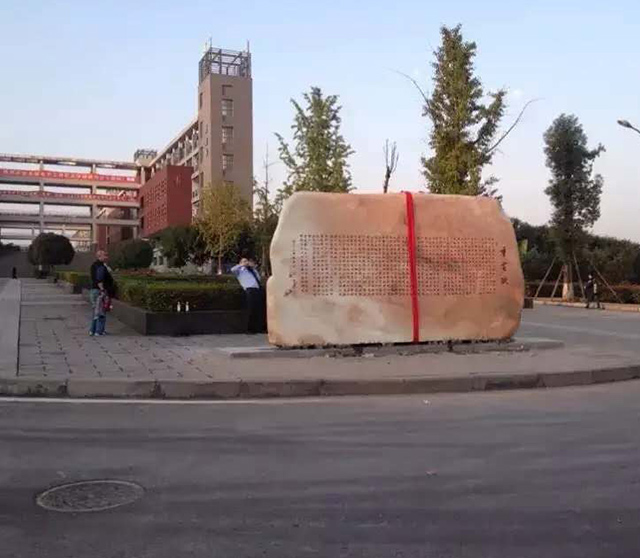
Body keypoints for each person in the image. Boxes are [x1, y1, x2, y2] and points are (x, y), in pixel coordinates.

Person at [231, 258, 266, 334]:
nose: (246, 262)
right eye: (244, 261)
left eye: (247, 261)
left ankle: (260, 328)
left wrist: (254, 268)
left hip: (258, 289)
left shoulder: (252, 270)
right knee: (251, 310)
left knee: (260, 310)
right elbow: (232, 269)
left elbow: (258, 279)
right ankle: (250, 329)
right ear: (240, 262)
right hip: (249, 290)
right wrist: (241, 265)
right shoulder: (240, 271)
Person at [89, 250, 114, 336]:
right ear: (99, 256)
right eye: (104, 255)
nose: (106, 257)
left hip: (94, 290)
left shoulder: (94, 265)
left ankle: (92, 330)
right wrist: (102, 290)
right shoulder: (100, 266)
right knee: (101, 311)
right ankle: (99, 331)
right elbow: (99, 279)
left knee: (96, 311)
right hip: (99, 291)